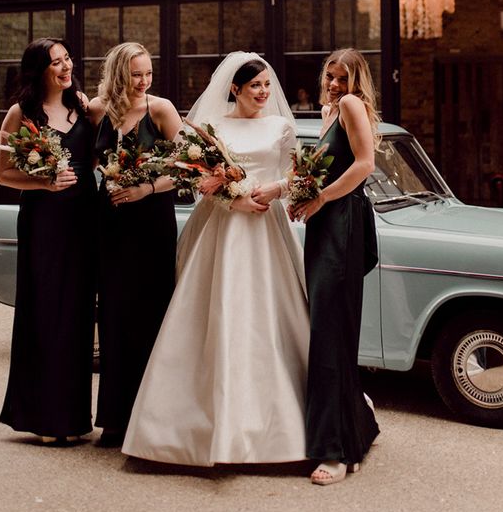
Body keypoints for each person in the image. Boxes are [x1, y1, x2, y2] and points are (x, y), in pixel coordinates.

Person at [122, 51, 310, 467]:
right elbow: (194, 174)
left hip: (266, 227)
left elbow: (294, 174)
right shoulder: (213, 127)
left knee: (269, 316)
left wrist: (273, 190)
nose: (263, 92)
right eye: (255, 86)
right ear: (234, 89)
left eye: (266, 85)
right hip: (221, 228)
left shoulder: (281, 125)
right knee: (212, 313)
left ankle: (280, 427)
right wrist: (232, 199)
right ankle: (182, 428)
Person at [0, 38, 97, 445]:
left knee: (76, 315)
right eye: (56, 62)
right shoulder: (22, 114)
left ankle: (72, 419)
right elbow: (3, 174)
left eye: (68, 59)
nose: (65, 67)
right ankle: (42, 417)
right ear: (39, 70)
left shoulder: (85, 110)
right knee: (45, 312)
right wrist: (45, 182)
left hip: (84, 220)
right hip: (44, 223)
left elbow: (93, 162)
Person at [291, 48, 380, 485]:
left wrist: (321, 197)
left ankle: (336, 452)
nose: (333, 84)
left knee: (329, 335)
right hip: (326, 225)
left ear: (355, 80)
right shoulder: (331, 111)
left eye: (341, 77)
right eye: (329, 76)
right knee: (334, 334)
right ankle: (356, 431)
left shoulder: (350, 105)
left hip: (342, 225)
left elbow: (365, 164)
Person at [89, 42, 181, 447]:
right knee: (113, 317)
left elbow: (187, 168)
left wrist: (146, 188)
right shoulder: (96, 111)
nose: (143, 82)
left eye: (147, 73)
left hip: (151, 225)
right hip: (110, 226)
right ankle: (114, 418)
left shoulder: (160, 109)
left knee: (152, 316)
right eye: (135, 75)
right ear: (117, 75)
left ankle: (153, 418)